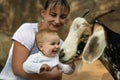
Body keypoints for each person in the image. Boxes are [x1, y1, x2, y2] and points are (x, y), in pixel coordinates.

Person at [0, 0, 71, 80]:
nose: (57, 21)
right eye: (53, 15)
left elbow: (58, 74)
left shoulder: (60, 45)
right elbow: (17, 69)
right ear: (43, 13)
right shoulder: (27, 30)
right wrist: (47, 76)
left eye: (62, 17)